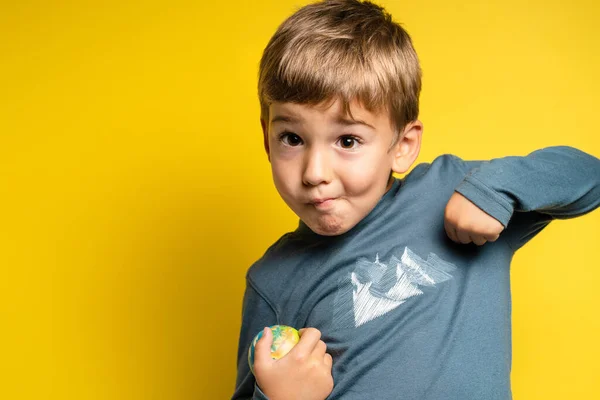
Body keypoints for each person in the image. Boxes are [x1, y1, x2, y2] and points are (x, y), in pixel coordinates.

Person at [231, 1, 600, 399]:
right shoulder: (272, 281)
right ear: (267, 137)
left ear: (403, 145)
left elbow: (588, 176)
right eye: (292, 138)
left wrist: (496, 189)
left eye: (348, 140)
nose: (314, 172)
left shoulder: (451, 193)